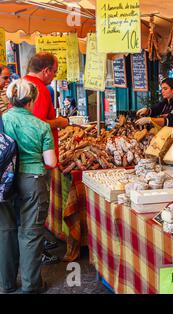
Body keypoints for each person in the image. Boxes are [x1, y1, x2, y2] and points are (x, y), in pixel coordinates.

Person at [0, 79, 57, 293]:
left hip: (3, 182)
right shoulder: (41, 126)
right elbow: (51, 162)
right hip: (33, 181)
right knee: (31, 233)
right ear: (31, 100)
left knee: (5, 232)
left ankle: (5, 285)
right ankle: (30, 286)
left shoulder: (2, 120)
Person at [24, 53, 68, 264]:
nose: (54, 76)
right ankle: (36, 252)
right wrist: (58, 122)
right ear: (46, 70)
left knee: (27, 211)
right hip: (38, 161)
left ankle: (35, 246)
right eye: (54, 71)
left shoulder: (21, 84)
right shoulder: (40, 89)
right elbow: (39, 123)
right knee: (37, 209)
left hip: (25, 160)